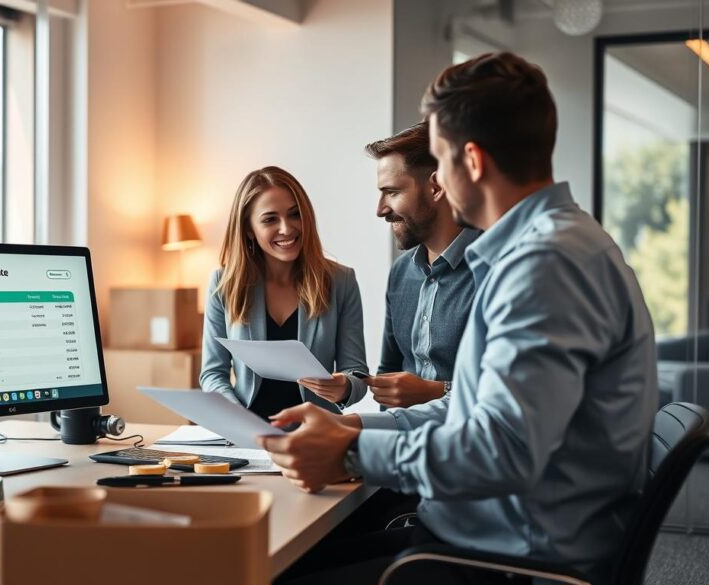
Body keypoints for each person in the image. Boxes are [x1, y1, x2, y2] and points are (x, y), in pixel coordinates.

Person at [260, 52, 657, 584]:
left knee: (276, 573)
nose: (440, 181)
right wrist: (352, 424)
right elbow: (469, 414)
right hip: (485, 532)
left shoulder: (546, 265)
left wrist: (351, 450)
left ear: (470, 161)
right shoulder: (544, 249)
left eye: (442, 162)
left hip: (512, 558)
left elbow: (502, 447)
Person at [200, 166, 368, 418]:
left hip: (318, 434)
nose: (286, 229)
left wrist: (344, 387)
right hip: (248, 436)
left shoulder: (341, 281)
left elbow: (356, 373)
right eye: (270, 219)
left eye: (294, 215)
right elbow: (212, 374)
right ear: (248, 229)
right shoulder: (224, 283)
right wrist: (236, 416)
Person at [365, 122, 479, 411]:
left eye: (391, 192)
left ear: (436, 187)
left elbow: (508, 390)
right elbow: (389, 373)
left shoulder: (494, 270)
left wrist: (436, 392)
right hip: (406, 448)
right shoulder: (401, 272)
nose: (380, 209)